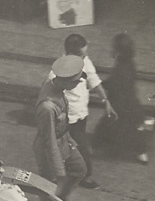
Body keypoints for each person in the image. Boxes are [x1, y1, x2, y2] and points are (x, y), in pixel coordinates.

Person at [48, 34, 117, 189]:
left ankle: (70, 171)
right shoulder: (57, 72)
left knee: (76, 144)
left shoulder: (84, 61)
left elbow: (94, 81)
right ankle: (81, 175)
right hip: (66, 115)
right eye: (82, 54)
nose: (85, 57)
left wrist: (105, 101)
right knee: (77, 145)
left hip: (81, 112)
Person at [33, 55, 88, 201]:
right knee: (48, 183)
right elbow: (49, 142)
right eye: (75, 81)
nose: (78, 83)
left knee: (79, 170)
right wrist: (60, 172)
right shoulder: (47, 108)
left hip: (64, 140)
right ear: (65, 81)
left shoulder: (53, 84)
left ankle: (60, 200)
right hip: (49, 148)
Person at [93, 33, 154, 164]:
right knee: (134, 129)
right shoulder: (129, 64)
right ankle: (141, 154)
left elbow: (115, 85)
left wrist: (100, 87)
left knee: (106, 126)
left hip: (119, 104)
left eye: (113, 48)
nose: (111, 50)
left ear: (119, 52)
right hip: (131, 103)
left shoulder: (120, 69)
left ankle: (95, 147)